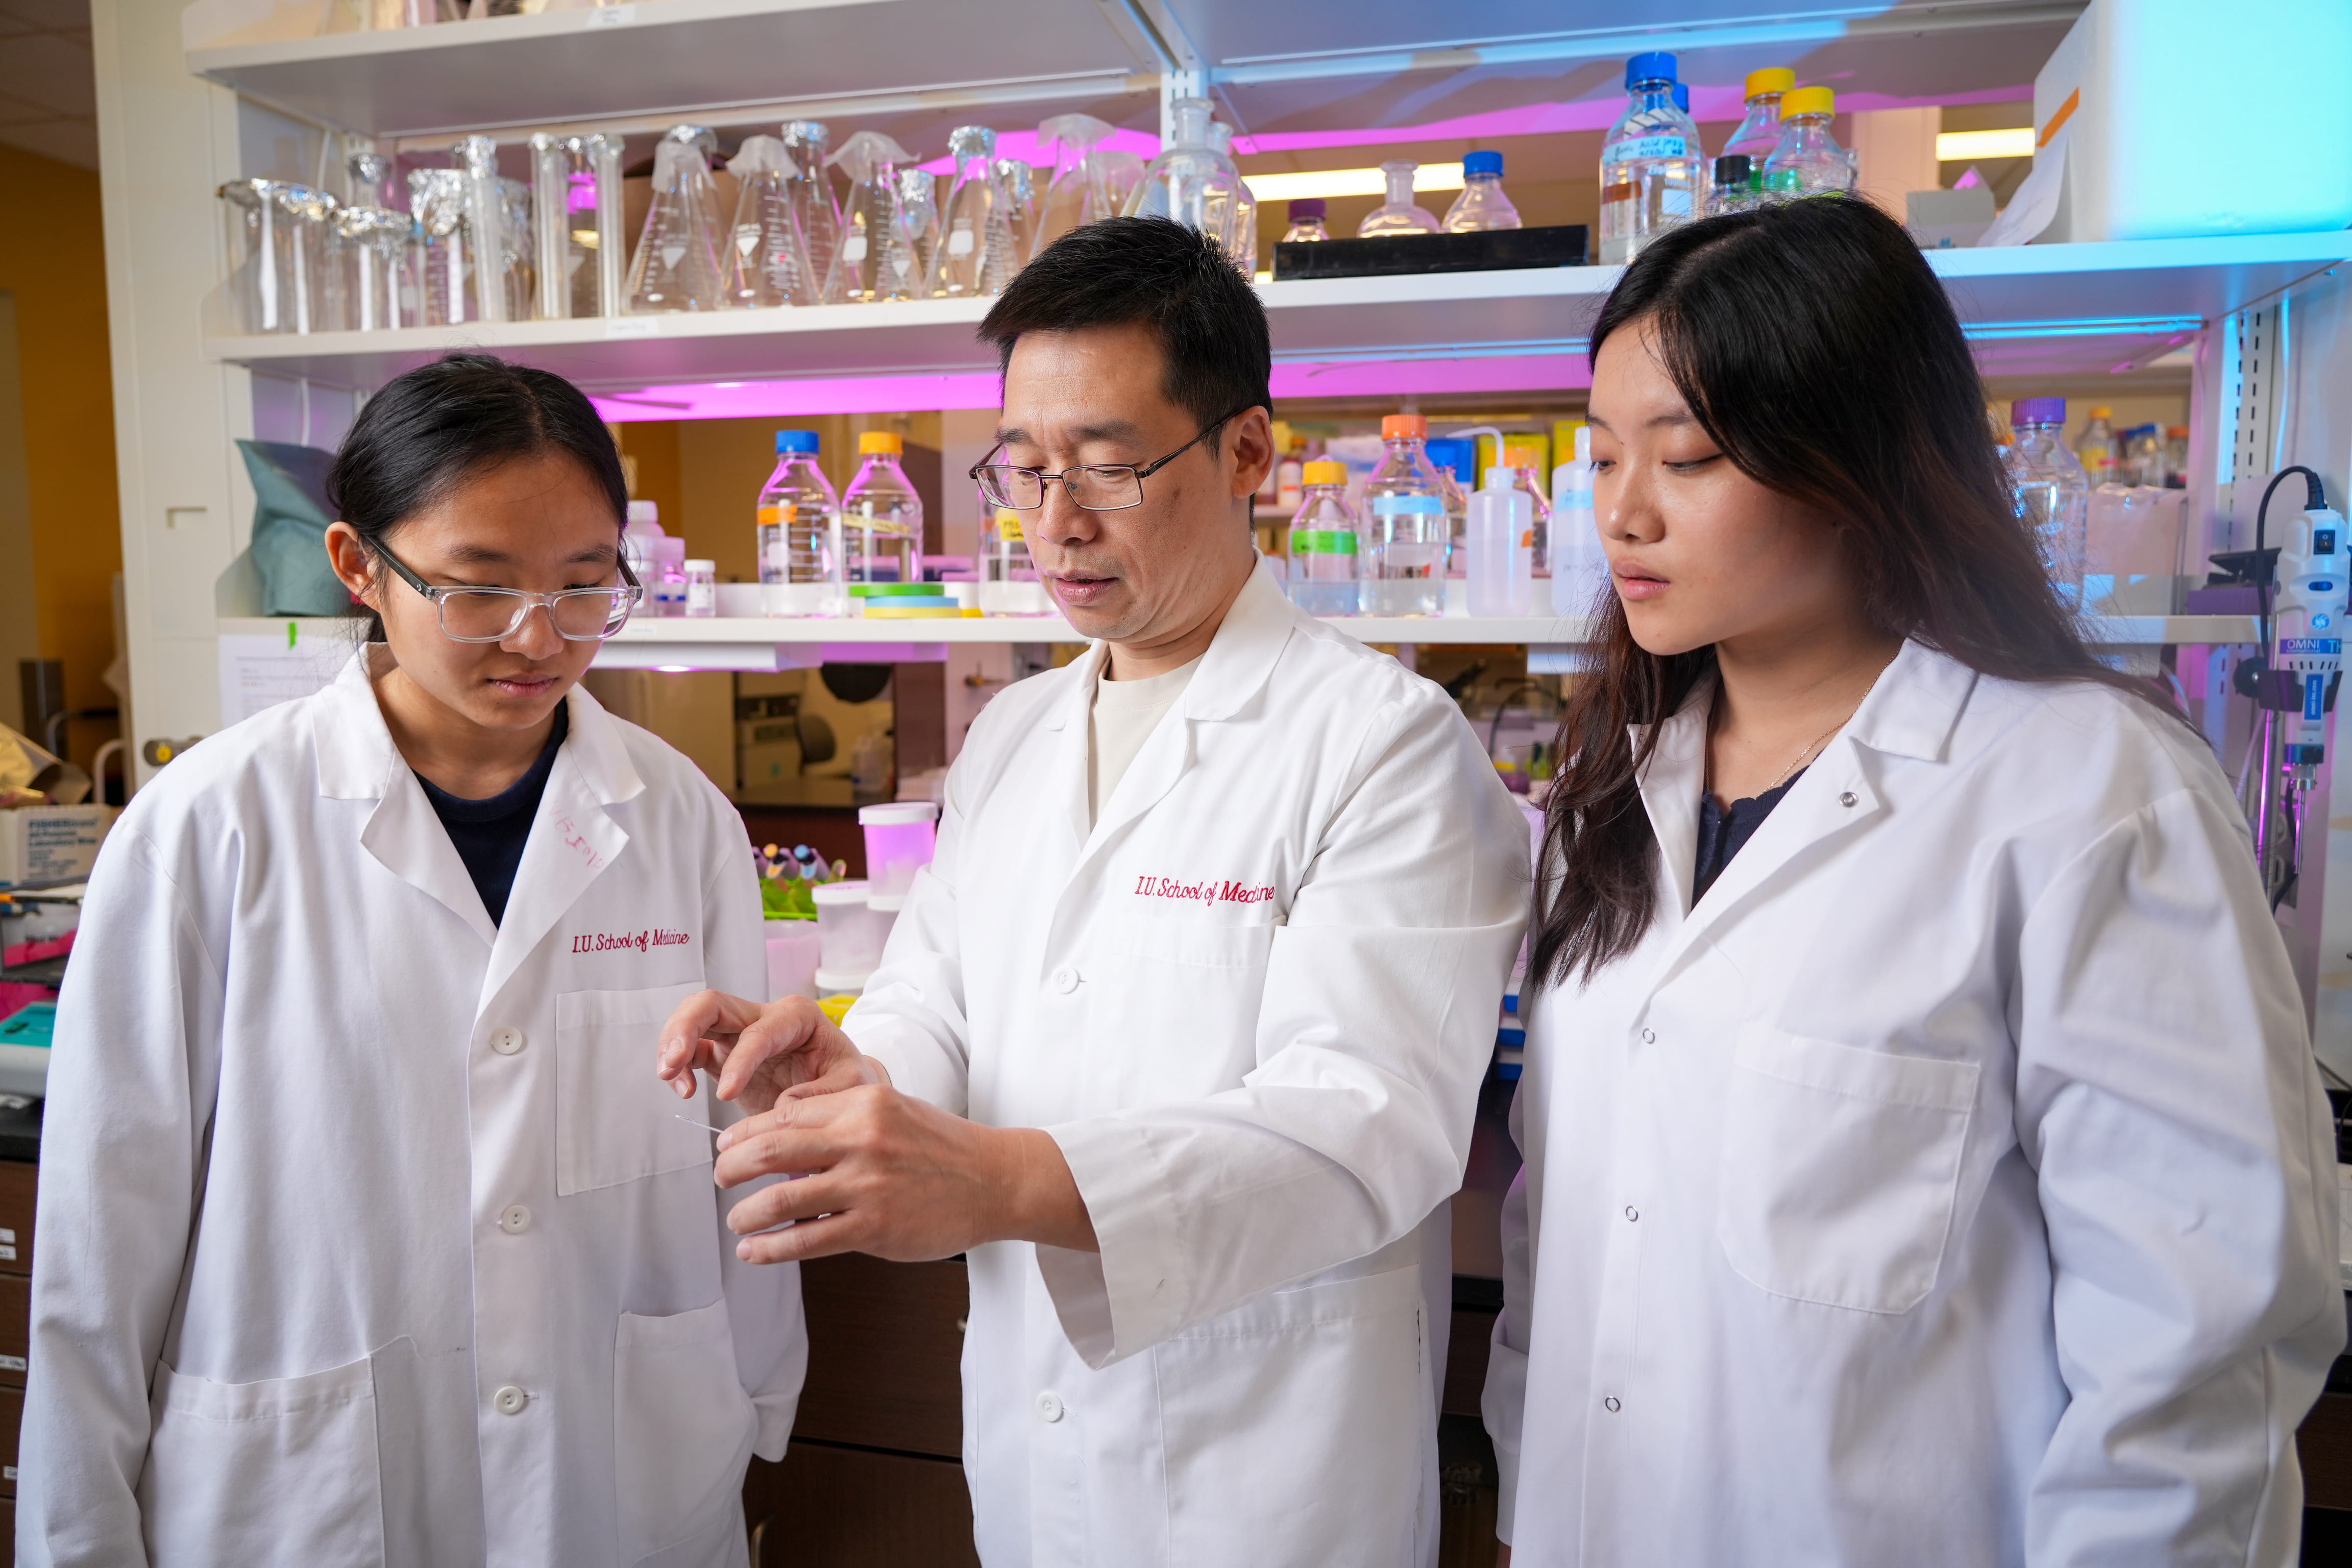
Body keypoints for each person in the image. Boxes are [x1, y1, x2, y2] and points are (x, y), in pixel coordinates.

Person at [1482, 197, 2343, 1564]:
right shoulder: (1617, 792)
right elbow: (1560, 1244)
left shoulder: (2081, 793)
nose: (1624, 514)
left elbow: (2194, 1357)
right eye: (1598, 460)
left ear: (1860, 464)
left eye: (1690, 458)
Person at [655, 216, 1528, 1565]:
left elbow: (1366, 1122)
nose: (1056, 523)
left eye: (1110, 468)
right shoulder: (1014, 733)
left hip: (1270, 1470)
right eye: (1027, 468)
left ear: (1247, 453)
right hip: (1036, 1447)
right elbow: (936, 996)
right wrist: (851, 1073)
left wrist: (1000, 1182)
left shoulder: (1382, 740)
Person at [19, 354, 805, 1566]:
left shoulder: (678, 815)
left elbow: (737, 1135)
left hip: (627, 1468)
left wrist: (754, 1388)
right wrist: (80, 1533)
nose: (538, 640)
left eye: (586, 587)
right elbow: (105, 1224)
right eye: (478, 591)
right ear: (359, 568)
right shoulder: (209, 826)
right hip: (309, 1481)